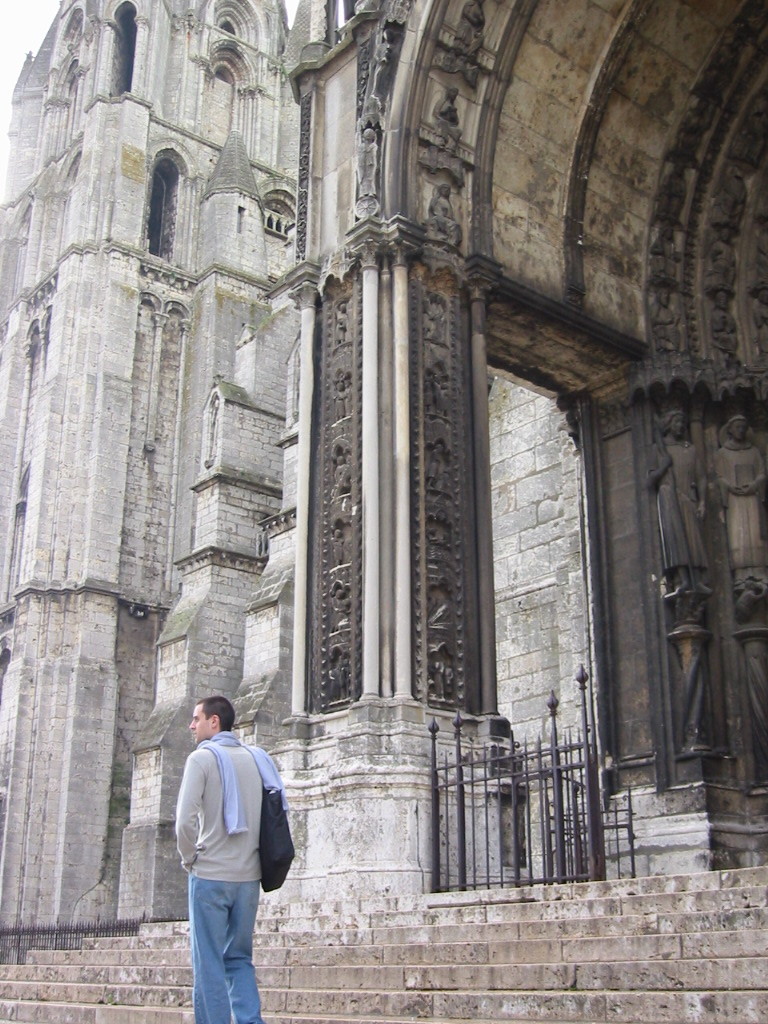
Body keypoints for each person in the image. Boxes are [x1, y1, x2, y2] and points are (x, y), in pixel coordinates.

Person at [176, 695, 285, 1024]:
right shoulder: (257, 758)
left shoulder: (202, 759)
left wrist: (189, 859)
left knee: (208, 962)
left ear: (214, 721)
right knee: (239, 959)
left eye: (197, 718)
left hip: (210, 875)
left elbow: (184, 820)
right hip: (248, 879)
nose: (191, 725)